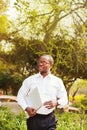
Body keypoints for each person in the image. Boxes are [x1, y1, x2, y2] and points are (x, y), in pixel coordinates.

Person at [17, 54, 68, 130]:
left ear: (51, 65)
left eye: (44, 62)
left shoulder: (57, 81)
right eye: (39, 62)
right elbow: (20, 96)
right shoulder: (30, 80)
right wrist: (26, 108)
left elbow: (64, 99)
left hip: (50, 119)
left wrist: (56, 103)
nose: (40, 64)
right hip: (33, 119)